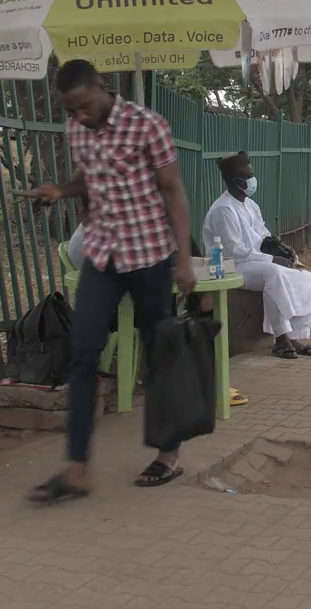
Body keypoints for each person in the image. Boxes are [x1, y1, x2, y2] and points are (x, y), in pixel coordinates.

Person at [25, 59, 200, 500]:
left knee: (158, 355)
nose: (79, 116)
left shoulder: (147, 125)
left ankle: (169, 455)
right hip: (102, 256)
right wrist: (61, 190)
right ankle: (77, 469)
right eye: (71, 111)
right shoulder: (77, 129)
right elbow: (89, 178)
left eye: (84, 106)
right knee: (83, 353)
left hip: (150, 256)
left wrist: (183, 260)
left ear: (102, 88)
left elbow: (173, 190)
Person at [203, 152, 311, 360]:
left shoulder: (251, 206)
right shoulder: (223, 209)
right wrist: (272, 259)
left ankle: (295, 336)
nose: (253, 180)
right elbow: (234, 250)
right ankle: (281, 339)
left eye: (252, 174)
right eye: (248, 176)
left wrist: (283, 252)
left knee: (306, 278)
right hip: (232, 266)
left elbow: (263, 236)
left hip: (255, 261)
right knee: (274, 274)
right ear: (235, 180)